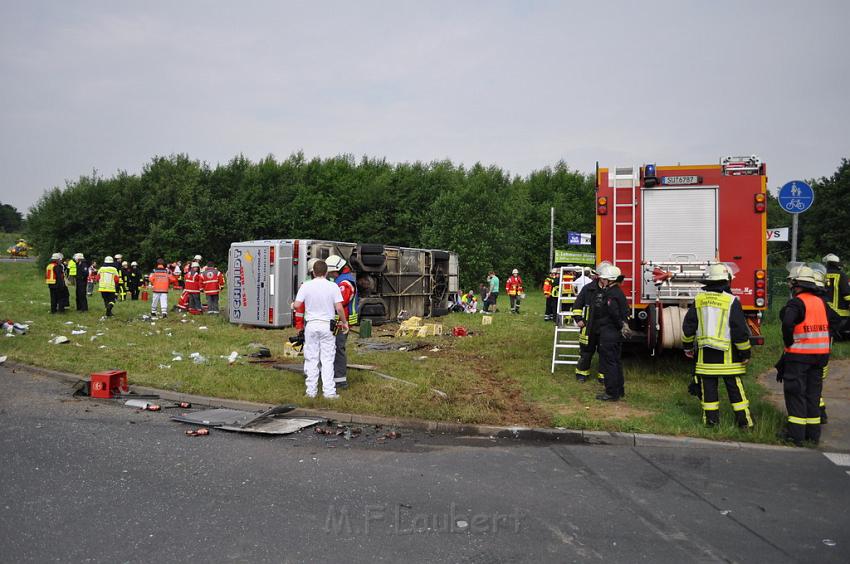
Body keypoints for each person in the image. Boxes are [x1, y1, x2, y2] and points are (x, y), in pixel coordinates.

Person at [681, 264, 754, 429]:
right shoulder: (732, 301)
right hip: (729, 357)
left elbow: (689, 326)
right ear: (727, 280)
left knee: (708, 390)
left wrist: (687, 347)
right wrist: (745, 353)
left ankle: (711, 422)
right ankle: (745, 423)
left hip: (705, 356)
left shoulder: (699, 300)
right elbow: (740, 331)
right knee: (735, 389)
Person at [776, 265, 832, 446]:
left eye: (792, 282)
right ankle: (813, 435)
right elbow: (833, 322)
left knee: (795, 393)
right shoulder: (821, 302)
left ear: (796, 284)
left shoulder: (796, 303)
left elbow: (787, 323)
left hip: (800, 356)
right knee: (813, 394)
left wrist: (789, 342)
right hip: (820, 356)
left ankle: (796, 435)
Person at [292, 259, 348, 399]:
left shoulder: (306, 285)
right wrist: (344, 322)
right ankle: (329, 392)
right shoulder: (333, 286)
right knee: (328, 359)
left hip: (311, 325)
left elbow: (298, 305)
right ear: (326, 272)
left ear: (313, 272)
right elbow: (339, 308)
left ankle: (311, 392)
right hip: (327, 326)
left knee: (311, 358)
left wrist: (292, 305)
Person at [594, 265, 629, 401]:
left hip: (609, 333)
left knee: (609, 363)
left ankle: (611, 392)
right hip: (615, 333)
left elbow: (614, 314)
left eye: (603, 279)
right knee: (615, 361)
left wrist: (619, 326)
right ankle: (619, 390)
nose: (601, 281)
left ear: (609, 280)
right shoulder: (618, 292)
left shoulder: (611, 294)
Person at [326, 254, 357, 390]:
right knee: (334, 349)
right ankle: (333, 377)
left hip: (341, 323)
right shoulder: (342, 280)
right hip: (339, 322)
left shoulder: (345, 284)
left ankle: (340, 381)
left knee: (338, 349)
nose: (331, 275)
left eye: (331, 272)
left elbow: (339, 303)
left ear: (337, 270)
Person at [571, 266, 604, 383]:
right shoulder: (588, 289)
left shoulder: (612, 290)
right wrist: (579, 319)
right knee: (586, 352)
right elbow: (577, 306)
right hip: (589, 327)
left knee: (605, 352)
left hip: (605, 327)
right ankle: (581, 374)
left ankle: (603, 376)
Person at [823, 253, 850, 338]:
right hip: (840, 311)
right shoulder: (841, 275)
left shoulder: (822, 274)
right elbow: (846, 293)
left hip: (825, 308)